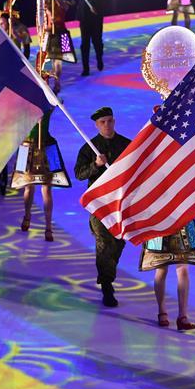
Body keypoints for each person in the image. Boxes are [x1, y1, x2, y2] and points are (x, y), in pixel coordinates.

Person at [74, 106, 132, 306]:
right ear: (96, 125)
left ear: (114, 121)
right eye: (102, 122)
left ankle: (108, 273)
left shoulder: (126, 145)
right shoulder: (90, 147)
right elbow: (79, 174)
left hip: (120, 203)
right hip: (99, 204)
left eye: (109, 121)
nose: (107, 125)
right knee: (104, 243)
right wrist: (95, 165)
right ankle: (107, 285)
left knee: (119, 241)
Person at [14, 108, 71, 241]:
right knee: (28, 185)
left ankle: (48, 227)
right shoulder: (24, 105)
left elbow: (55, 101)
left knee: (47, 188)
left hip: (46, 145)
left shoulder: (46, 102)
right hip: (27, 146)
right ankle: (27, 215)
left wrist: (55, 91)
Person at [142, 219, 195, 330]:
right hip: (160, 223)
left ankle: (182, 316)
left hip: (181, 223)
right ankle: (162, 312)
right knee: (161, 269)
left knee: (183, 270)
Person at [40, 0, 76, 92]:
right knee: (51, 60)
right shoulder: (48, 4)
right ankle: (51, 80)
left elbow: (65, 8)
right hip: (50, 34)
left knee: (59, 60)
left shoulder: (63, 3)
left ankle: (57, 82)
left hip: (61, 33)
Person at [77, 0, 111, 76]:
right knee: (84, 44)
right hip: (84, 19)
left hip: (96, 19)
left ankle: (99, 60)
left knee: (97, 42)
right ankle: (85, 68)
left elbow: (106, 1)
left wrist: (98, 8)